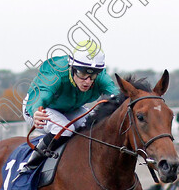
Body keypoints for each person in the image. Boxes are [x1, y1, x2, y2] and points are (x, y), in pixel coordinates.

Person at [19, 41, 120, 173]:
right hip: (39, 109)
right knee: (65, 129)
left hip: (70, 109)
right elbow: (41, 97)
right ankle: (30, 165)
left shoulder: (100, 77)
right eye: (83, 74)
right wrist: (35, 111)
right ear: (72, 68)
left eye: (93, 75)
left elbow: (119, 95)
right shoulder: (55, 74)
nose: (88, 81)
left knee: (95, 126)